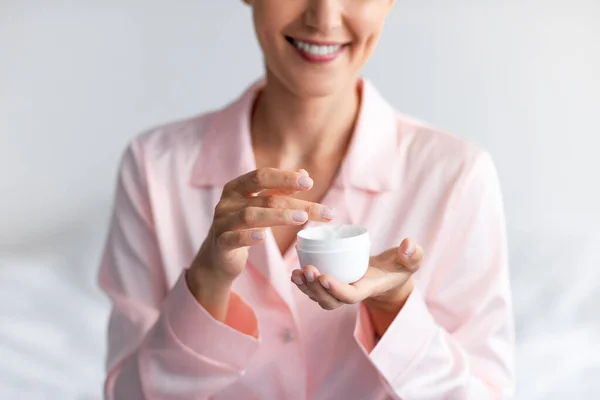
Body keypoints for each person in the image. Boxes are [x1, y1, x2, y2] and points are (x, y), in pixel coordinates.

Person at [98, 0, 515, 398]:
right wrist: (206, 283)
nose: (323, 17)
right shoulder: (153, 168)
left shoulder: (457, 176)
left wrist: (394, 308)